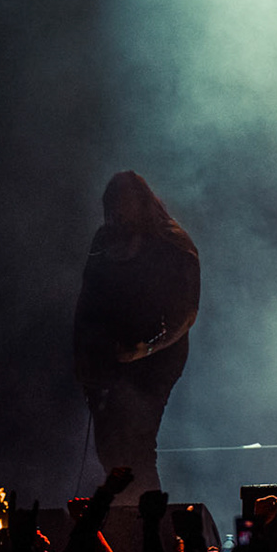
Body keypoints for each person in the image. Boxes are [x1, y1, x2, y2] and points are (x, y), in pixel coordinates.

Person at [73, 171, 201, 500]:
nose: (115, 214)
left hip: (155, 361)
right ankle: (125, 512)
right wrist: (84, 354)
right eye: (110, 207)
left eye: (121, 205)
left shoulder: (172, 243)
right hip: (112, 359)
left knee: (138, 442)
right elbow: (87, 300)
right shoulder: (105, 240)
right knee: (109, 445)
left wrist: (146, 349)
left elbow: (186, 314)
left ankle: (147, 521)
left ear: (140, 204)